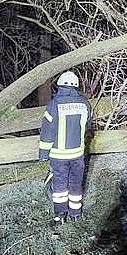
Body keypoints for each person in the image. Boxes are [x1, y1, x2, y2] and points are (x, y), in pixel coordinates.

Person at [38, 71, 92, 227]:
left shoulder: (54, 104)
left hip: (59, 155)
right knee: (76, 183)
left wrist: (43, 153)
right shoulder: (84, 103)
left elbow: (47, 131)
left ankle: (60, 216)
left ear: (60, 85)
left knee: (60, 186)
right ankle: (76, 214)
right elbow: (87, 125)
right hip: (78, 154)